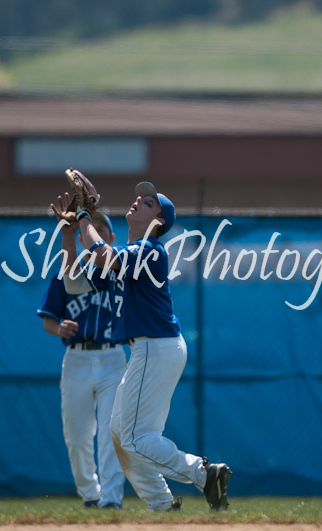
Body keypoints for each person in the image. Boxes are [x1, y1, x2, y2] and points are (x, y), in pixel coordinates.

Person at [51, 182, 232, 512]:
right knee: (120, 435)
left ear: (158, 221)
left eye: (148, 202)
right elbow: (73, 282)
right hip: (148, 350)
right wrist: (69, 230)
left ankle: (205, 475)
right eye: (139, 197)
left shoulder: (150, 250)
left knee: (134, 437)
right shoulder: (128, 257)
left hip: (156, 347)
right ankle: (163, 506)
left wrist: (84, 215)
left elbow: (103, 254)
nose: (138, 201)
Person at [37, 212, 127, 510]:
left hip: (113, 357)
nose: (95, 234)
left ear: (111, 240)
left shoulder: (119, 269)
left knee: (112, 432)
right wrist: (58, 328)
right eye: (90, 231)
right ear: (80, 238)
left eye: (101, 231)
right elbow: (49, 320)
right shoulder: (67, 274)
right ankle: (90, 494)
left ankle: (111, 498)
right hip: (76, 359)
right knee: (76, 434)